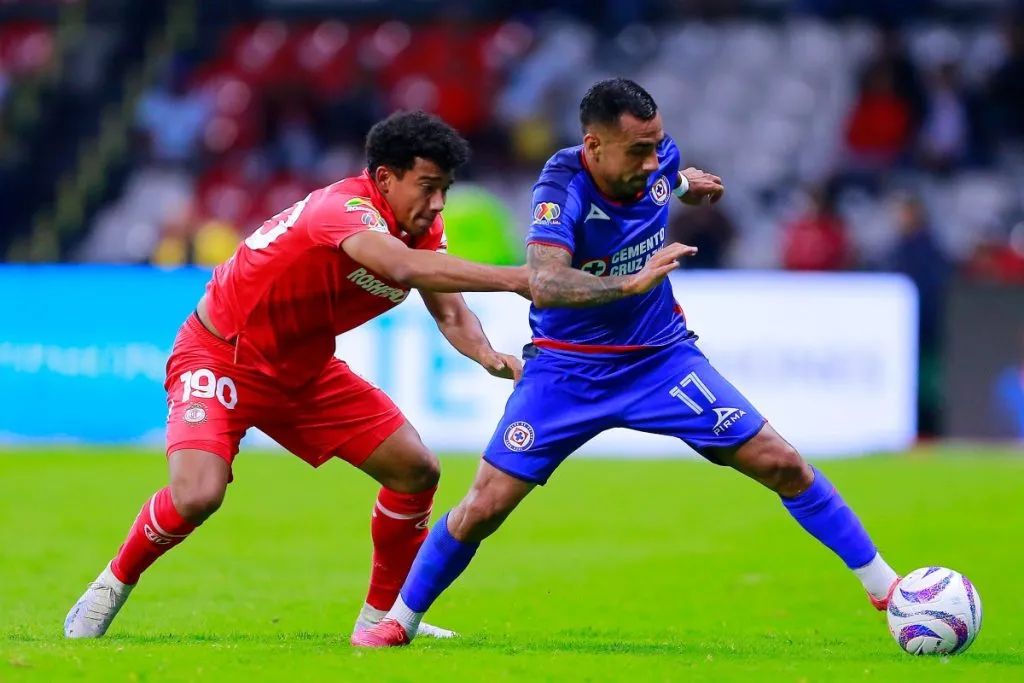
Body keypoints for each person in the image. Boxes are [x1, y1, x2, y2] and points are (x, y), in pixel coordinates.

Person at [352, 80, 902, 647]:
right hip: (567, 370)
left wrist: (688, 186)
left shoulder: (660, 159)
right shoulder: (561, 187)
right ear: (593, 147)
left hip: (659, 359)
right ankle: (400, 620)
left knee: (781, 461)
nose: (653, 158)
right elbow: (544, 281)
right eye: (637, 150)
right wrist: (632, 283)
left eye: (657, 144)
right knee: (483, 507)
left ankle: (890, 591)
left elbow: (668, 178)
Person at [64, 111, 531, 640]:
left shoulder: (422, 230)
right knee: (197, 495)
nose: (439, 204)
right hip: (221, 355)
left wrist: (490, 357)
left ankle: (380, 622)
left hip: (306, 371)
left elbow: (449, 312)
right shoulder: (343, 208)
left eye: (444, 189)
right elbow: (400, 268)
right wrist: (516, 278)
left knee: (416, 469)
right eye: (427, 187)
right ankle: (112, 583)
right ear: (384, 178)